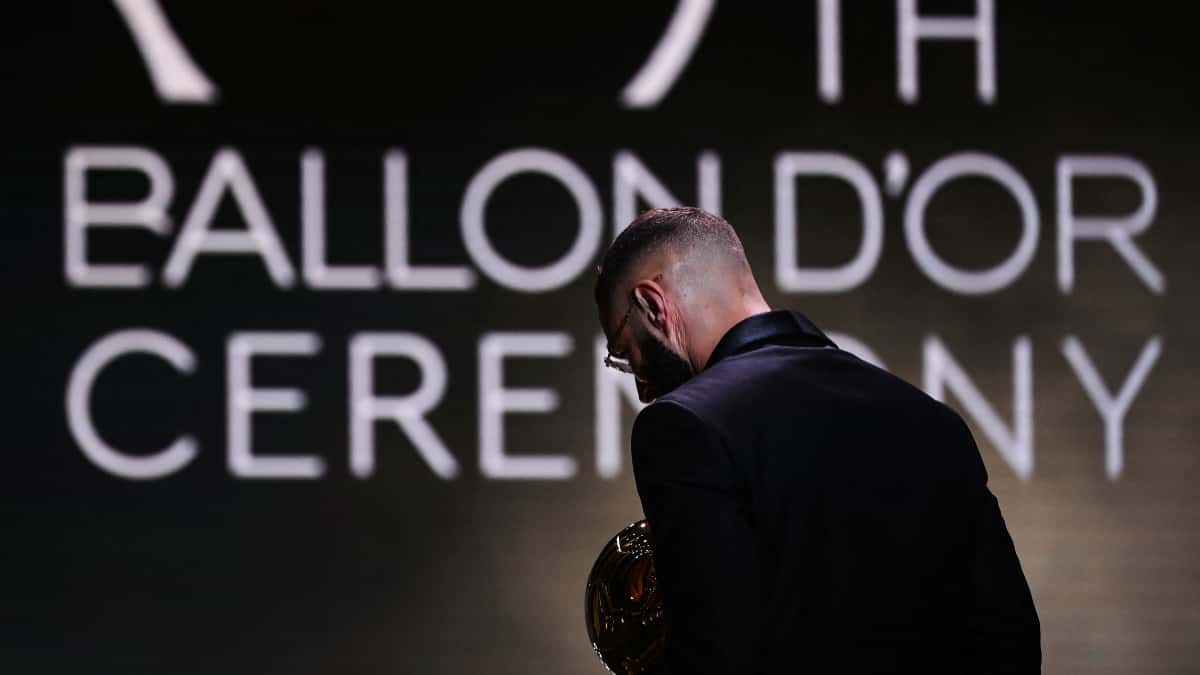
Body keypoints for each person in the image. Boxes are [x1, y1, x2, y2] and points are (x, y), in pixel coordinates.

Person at [594, 207, 1041, 674]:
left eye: (626, 354)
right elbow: (1012, 643)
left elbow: (715, 655)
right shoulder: (934, 422)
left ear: (652, 304)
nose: (643, 389)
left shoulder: (683, 426)